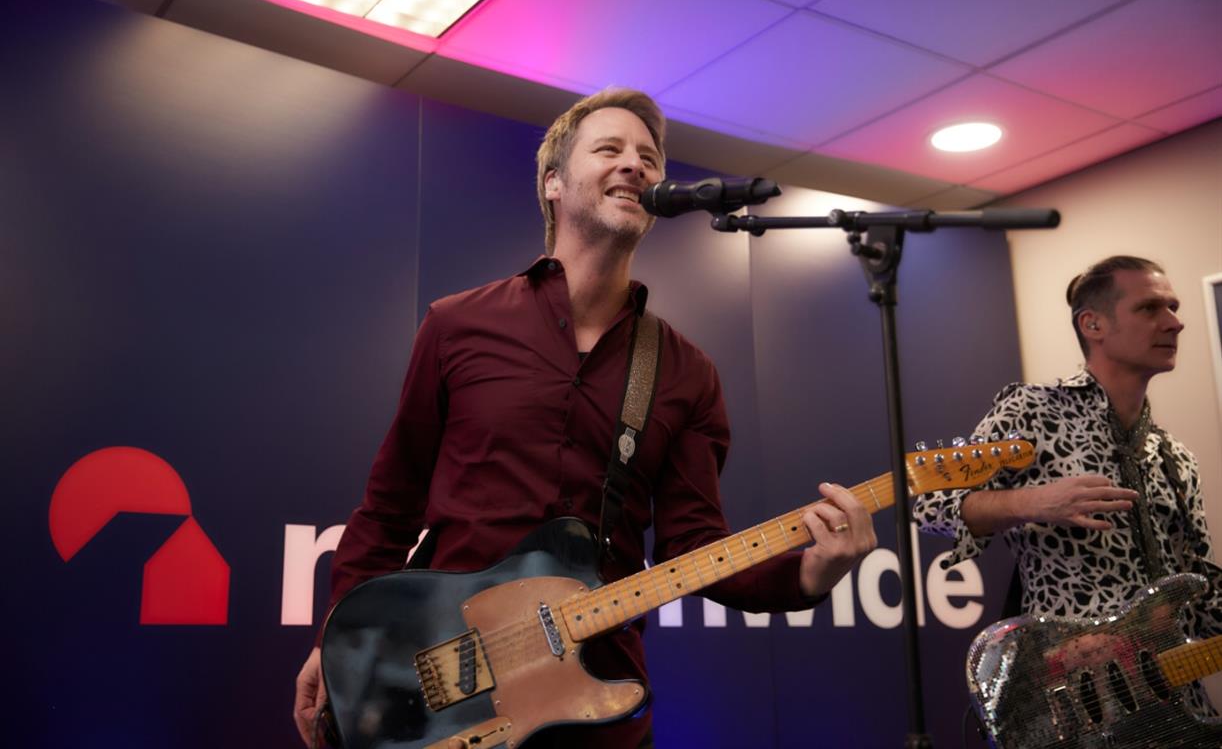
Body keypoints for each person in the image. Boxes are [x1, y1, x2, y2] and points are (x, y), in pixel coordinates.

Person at [293, 88, 878, 747]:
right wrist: (335, 646)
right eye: (610, 149)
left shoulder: (687, 372)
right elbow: (387, 509)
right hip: (445, 698)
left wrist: (810, 572)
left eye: (649, 157)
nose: (634, 164)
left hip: (596, 700)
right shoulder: (457, 325)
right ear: (553, 182)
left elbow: (694, 546)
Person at [914, 255, 1222, 711]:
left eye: (1173, 308)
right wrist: (1031, 501)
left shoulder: (1176, 458)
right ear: (1092, 324)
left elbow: (1201, 597)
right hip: (1075, 707)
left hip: (1176, 702)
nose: (1175, 323)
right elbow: (930, 505)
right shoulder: (1033, 410)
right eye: (1150, 308)